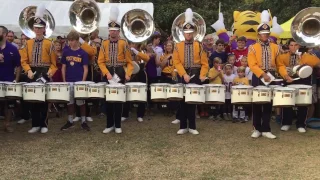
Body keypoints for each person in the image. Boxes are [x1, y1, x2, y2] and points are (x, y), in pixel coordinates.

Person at [20, 5, 57, 134]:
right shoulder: (27, 43)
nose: (38, 30)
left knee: (44, 100)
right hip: (32, 73)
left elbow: (54, 64)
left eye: (40, 28)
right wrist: (28, 71)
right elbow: (23, 61)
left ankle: (44, 124)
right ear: (33, 28)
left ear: (44, 28)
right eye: (36, 28)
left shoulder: (49, 44)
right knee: (33, 99)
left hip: (44, 73)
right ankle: (35, 124)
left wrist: (50, 72)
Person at [173, 8, 209, 135]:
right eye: (186, 32)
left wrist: (202, 75)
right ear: (183, 33)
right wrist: (184, 74)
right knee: (182, 101)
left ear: (193, 32)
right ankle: (183, 126)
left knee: (193, 101)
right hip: (183, 75)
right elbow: (176, 62)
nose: (188, 34)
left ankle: (192, 126)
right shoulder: (178, 46)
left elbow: (205, 64)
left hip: (195, 75)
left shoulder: (199, 46)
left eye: (190, 32)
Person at [98, 6, 133, 134]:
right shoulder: (104, 44)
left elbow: (130, 63)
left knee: (118, 100)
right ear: (109, 31)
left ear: (119, 32)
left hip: (119, 72)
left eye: (115, 30)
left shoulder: (124, 43)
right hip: (107, 73)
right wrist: (106, 73)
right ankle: (109, 124)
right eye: (111, 30)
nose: (113, 32)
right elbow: (100, 61)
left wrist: (128, 74)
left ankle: (117, 125)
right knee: (108, 100)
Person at [276, 38, 320, 133]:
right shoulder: (283, 56)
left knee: (303, 103)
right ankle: (286, 123)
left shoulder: (307, 55)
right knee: (287, 102)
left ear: (299, 46)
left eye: (296, 45)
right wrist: (286, 75)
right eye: (291, 45)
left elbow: (317, 63)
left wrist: (304, 57)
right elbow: (280, 66)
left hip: (304, 80)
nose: (293, 47)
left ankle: (301, 124)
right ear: (288, 46)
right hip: (289, 80)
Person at [248, 15, 280, 139]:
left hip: (271, 76)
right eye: (262, 34)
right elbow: (252, 64)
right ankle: (256, 128)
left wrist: (284, 73)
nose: (265, 36)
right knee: (256, 102)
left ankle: (266, 129)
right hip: (258, 76)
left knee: (268, 103)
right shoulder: (252, 47)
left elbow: (279, 64)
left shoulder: (276, 47)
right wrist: (262, 74)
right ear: (258, 35)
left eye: (267, 33)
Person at [60, 31, 90, 131]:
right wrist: (64, 80)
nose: (71, 43)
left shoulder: (83, 53)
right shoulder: (66, 52)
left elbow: (85, 68)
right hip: (69, 80)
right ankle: (70, 121)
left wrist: (83, 81)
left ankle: (83, 121)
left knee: (81, 102)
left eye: (72, 40)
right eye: (69, 40)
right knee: (70, 102)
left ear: (77, 41)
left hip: (79, 81)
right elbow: (63, 67)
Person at [0, 26, 21, 132]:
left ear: (4, 34)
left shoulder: (13, 48)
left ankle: (7, 124)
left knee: (9, 103)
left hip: (8, 80)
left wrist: (16, 81)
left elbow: (18, 65)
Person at [121, 42, 149, 122]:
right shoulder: (125, 52)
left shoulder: (141, 51)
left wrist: (136, 52)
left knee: (142, 93)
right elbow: (123, 63)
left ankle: (140, 114)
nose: (133, 45)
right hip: (130, 73)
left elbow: (147, 59)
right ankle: (125, 114)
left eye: (134, 44)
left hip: (141, 73)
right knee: (127, 93)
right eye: (131, 44)